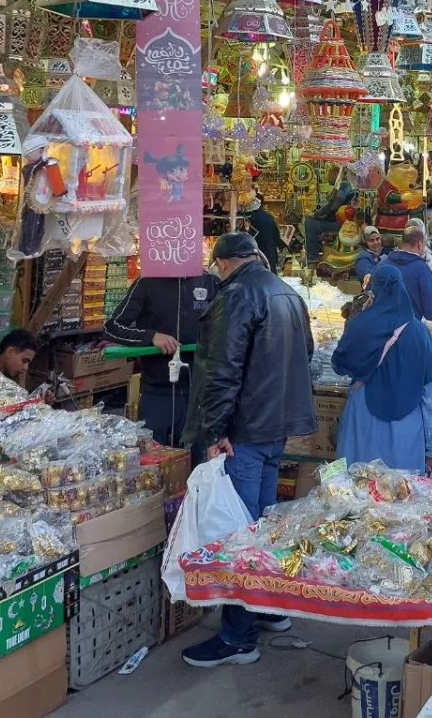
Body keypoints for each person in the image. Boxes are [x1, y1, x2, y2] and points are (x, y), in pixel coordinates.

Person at [184, 232, 316, 668]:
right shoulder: (287, 293)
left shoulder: (238, 295)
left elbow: (223, 367)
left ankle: (238, 637)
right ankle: (268, 610)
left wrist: (216, 429)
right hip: (276, 426)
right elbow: (307, 354)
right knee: (260, 526)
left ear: (223, 263)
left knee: (238, 534)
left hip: (245, 430)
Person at [330, 260, 432, 474]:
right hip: (405, 426)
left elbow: (339, 365)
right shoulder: (419, 332)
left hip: (362, 419)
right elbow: (431, 395)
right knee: (399, 495)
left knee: (355, 489)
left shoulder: (360, 324)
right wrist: (431, 448)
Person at [103, 272, 217, 450]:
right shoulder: (147, 281)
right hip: (156, 392)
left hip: (198, 395)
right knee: (152, 460)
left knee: (196, 464)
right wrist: (151, 336)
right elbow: (112, 327)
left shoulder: (209, 281)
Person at [384, 225, 432, 326]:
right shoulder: (422, 270)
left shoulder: (382, 265)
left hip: (382, 332)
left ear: (402, 243)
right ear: (420, 244)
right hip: (409, 333)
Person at [242, 197, 282, 272]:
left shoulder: (247, 218)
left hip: (253, 255)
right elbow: (277, 238)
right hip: (269, 253)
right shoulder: (269, 217)